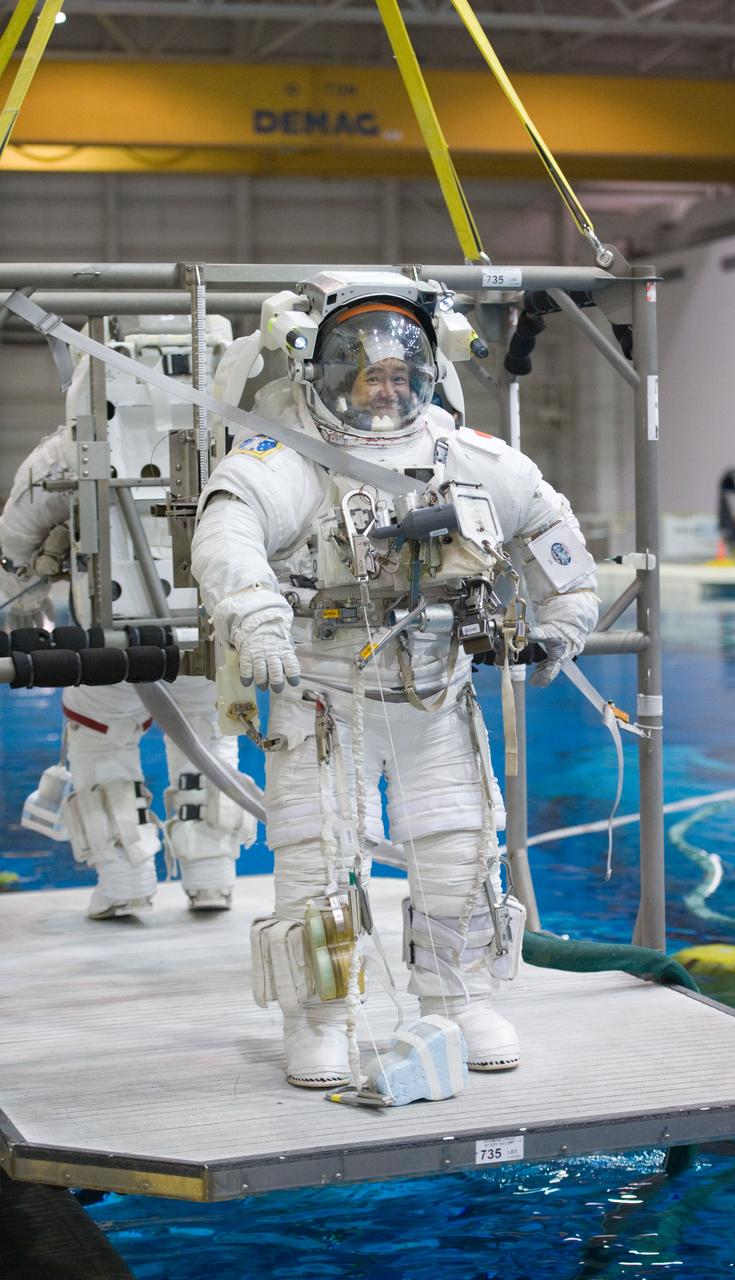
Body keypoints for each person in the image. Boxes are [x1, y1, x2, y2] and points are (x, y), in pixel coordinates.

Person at [191, 271, 598, 1089]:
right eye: (369, 373)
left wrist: (567, 614)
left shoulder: (466, 456)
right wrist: (257, 615)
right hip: (323, 693)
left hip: (435, 690)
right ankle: (322, 1020)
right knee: (320, 860)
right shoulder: (284, 455)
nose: (386, 388)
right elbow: (226, 532)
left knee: (460, 850)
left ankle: (457, 1000)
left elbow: (547, 525)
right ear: (329, 373)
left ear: (424, 373)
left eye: (400, 372)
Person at [0, 315, 256, 919]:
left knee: (102, 750)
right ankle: (211, 877)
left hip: (107, 641)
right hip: (206, 634)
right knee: (209, 744)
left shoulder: (68, 449)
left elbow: (15, 540)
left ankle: (125, 881)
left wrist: (27, 609)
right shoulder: (237, 443)